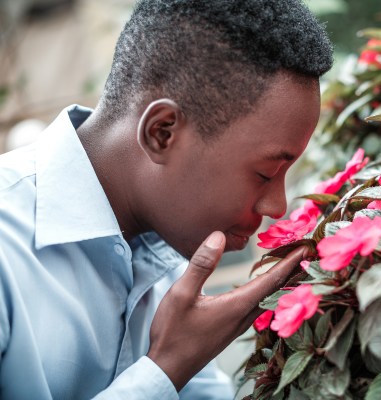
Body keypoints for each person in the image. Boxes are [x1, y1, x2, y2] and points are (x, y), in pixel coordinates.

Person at [0, 0, 333, 398]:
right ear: (162, 132)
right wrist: (168, 367)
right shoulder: (8, 247)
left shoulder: (171, 244)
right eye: (264, 173)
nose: (276, 206)